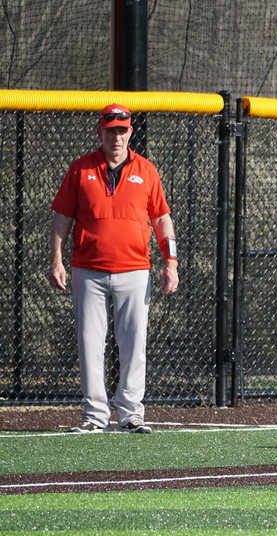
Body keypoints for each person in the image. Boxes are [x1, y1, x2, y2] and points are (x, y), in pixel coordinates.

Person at [48, 103, 179, 434]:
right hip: (87, 269)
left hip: (135, 269)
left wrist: (171, 262)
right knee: (90, 341)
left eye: (122, 130)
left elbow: (162, 219)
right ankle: (94, 416)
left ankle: (131, 414)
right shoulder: (80, 169)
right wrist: (56, 258)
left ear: (130, 133)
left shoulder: (146, 170)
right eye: (111, 130)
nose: (116, 137)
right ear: (100, 132)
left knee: (134, 342)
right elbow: (62, 216)